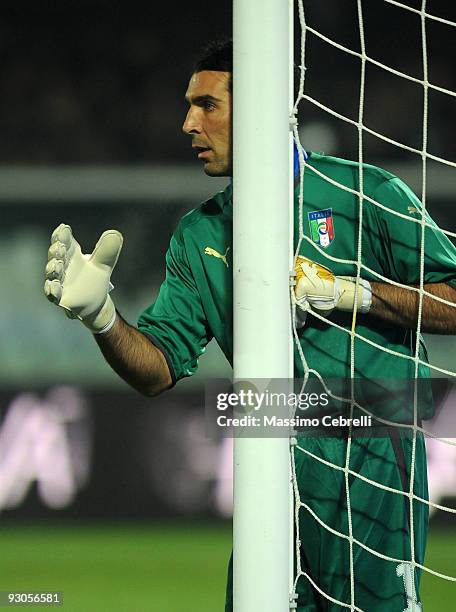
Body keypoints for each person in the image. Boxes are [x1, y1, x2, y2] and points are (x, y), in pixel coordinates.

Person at [44, 39, 456, 610]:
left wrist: (356, 293)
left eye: (206, 105)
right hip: (271, 457)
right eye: (189, 105)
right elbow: (156, 369)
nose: (187, 123)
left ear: (262, 106)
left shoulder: (362, 193)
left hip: (373, 453)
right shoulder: (200, 234)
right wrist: (102, 318)